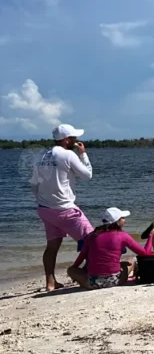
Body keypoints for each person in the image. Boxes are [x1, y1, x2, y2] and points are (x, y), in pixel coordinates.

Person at [30, 124, 94, 291]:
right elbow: (87, 175)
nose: (77, 140)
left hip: (45, 209)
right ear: (66, 140)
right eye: (74, 138)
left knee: (52, 247)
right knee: (92, 240)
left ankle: (50, 283)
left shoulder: (42, 157)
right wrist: (83, 154)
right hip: (65, 208)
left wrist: (44, 201)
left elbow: (34, 185)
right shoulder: (68, 155)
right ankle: (90, 273)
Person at [67, 208, 151, 290]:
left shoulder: (92, 236)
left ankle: (84, 283)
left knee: (71, 270)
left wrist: (78, 271)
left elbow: (80, 259)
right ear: (117, 222)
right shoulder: (122, 235)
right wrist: (151, 236)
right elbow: (144, 253)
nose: (125, 220)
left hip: (93, 283)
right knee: (130, 261)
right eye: (123, 218)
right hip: (115, 281)